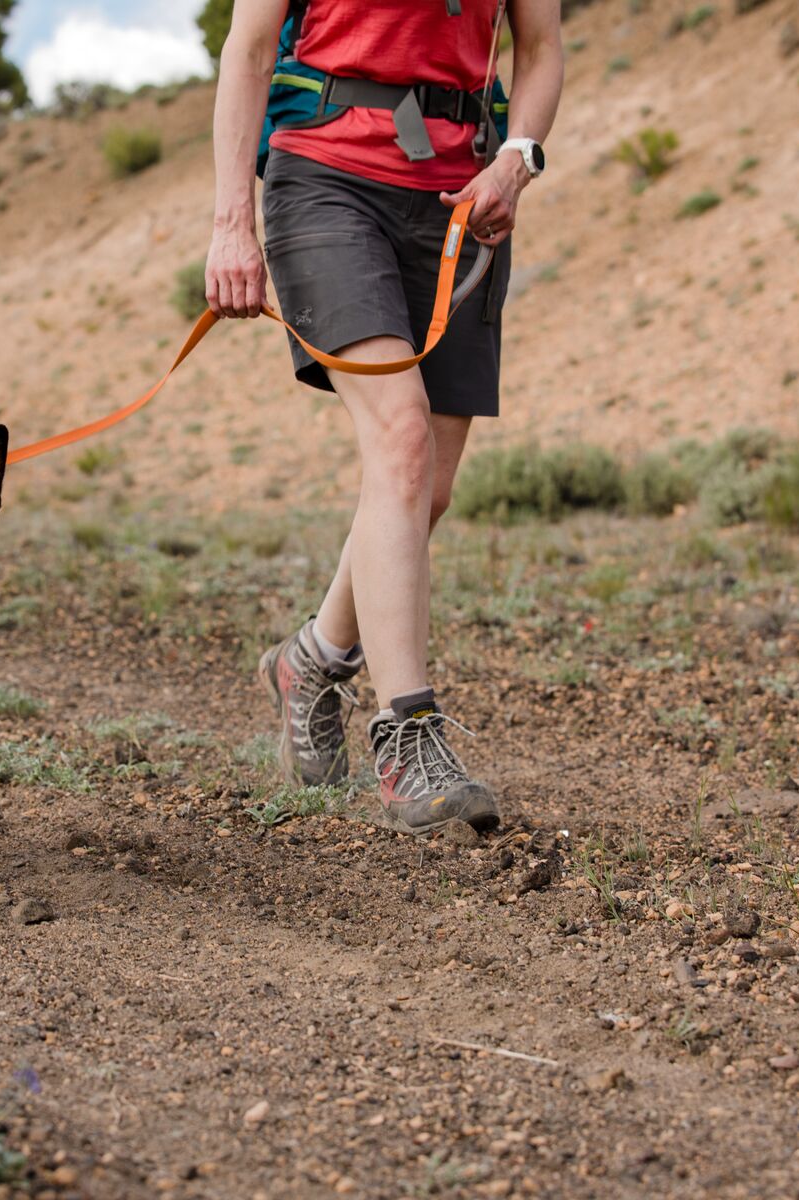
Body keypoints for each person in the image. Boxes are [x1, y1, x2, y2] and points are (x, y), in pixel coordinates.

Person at [208, 0, 564, 833]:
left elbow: (541, 48)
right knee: (400, 441)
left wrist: (517, 162)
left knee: (425, 491)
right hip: (328, 182)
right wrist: (232, 223)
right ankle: (408, 736)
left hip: (464, 195)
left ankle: (310, 660)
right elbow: (249, 49)